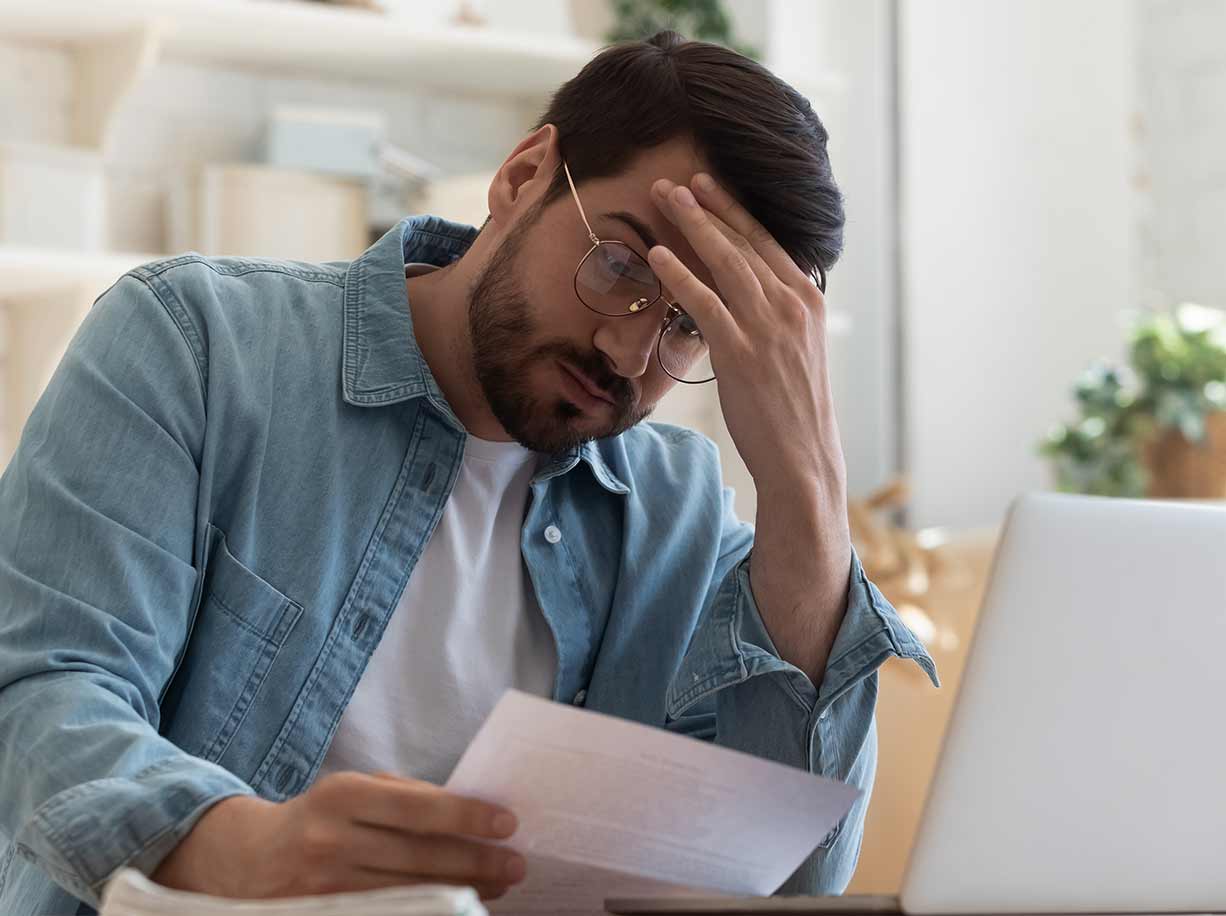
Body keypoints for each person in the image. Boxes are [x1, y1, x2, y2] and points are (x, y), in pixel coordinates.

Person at [0, 30, 937, 916]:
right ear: (523, 176)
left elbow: (792, 881)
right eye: (620, 264)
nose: (626, 346)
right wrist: (243, 847)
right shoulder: (198, 347)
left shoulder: (674, 508)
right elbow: (43, 695)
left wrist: (806, 486)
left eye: (689, 321)